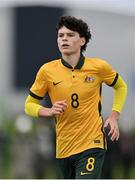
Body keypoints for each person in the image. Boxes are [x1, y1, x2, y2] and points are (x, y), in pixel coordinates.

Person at [24, 16, 127, 179]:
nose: (64, 38)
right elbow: (29, 105)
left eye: (70, 35)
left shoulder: (98, 67)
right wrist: (48, 111)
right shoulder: (47, 71)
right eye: (61, 35)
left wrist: (114, 116)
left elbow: (121, 86)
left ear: (82, 41)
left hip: (92, 143)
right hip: (63, 146)